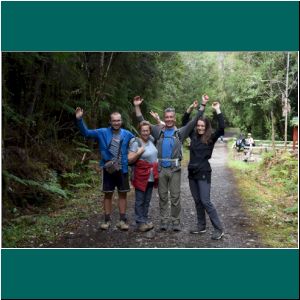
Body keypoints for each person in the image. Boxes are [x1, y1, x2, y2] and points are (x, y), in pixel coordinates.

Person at [134, 95, 209, 231]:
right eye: (166, 117)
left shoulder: (180, 132)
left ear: (174, 118)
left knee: (175, 197)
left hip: (175, 169)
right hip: (161, 169)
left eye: (171, 117)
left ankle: (175, 221)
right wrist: (137, 106)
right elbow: (142, 121)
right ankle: (163, 220)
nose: (168, 119)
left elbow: (194, 120)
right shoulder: (158, 131)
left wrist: (203, 105)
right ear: (165, 117)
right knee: (162, 197)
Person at [75, 107, 135, 231]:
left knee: (123, 194)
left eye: (118, 120)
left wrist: (134, 154)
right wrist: (79, 119)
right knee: (108, 195)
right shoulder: (102, 132)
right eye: (114, 121)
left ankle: (122, 221)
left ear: (121, 121)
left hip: (122, 169)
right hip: (108, 169)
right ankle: (107, 220)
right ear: (110, 121)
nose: (116, 123)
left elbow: (137, 143)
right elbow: (86, 133)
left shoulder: (127, 134)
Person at [188, 101, 225, 240]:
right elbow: (185, 121)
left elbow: (222, 128)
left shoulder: (210, 138)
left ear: (206, 126)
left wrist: (217, 109)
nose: (200, 128)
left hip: (204, 173)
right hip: (192, 174)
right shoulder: (192, 135)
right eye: (198, 125)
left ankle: (219, 228)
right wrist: (193, 108)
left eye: (202, 126)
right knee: (197, 201)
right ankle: (201, 226)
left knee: (205, 201)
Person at [128, 121, 159, 232]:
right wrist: (138, 153)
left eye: (147, 130)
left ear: (149, 131)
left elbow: (160, 128)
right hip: (141, 175)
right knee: (140, 200)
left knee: (147, 200)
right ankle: (140, 222)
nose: (145, 132)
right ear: (140, 131)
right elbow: (129, 159)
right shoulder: (136, 142)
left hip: (151, 175)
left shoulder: (151, 140)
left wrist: (158, 120)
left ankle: (145, 219)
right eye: (143, 131)